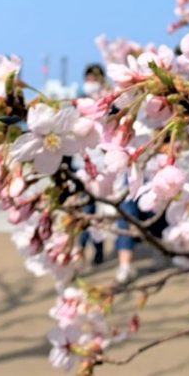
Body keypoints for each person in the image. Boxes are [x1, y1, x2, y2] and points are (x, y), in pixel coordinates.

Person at [78, 64, 107, 266]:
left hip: (104, 165)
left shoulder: (107, 103)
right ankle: (80, 249)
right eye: (88, 78)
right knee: (85, 210)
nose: (91, 82)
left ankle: (98, 250)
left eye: (94, 78)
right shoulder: (78, 104)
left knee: (100, 214)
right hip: (82, 165)